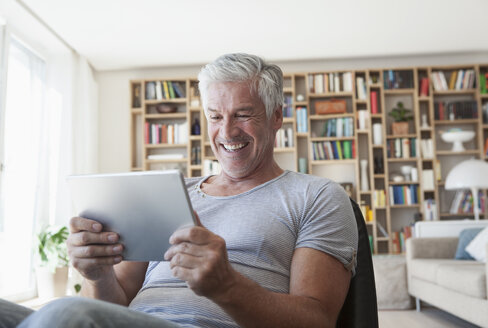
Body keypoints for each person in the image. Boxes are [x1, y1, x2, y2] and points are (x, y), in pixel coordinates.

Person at [0, 53, 358, 328]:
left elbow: (318, 320)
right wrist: (97, 275)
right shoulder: (169, 193)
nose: (228, 131)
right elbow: (114, 306)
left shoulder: (318, 196)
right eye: (216, 117)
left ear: (277, 116)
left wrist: (226, 285)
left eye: (243, 114)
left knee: (65, 314)